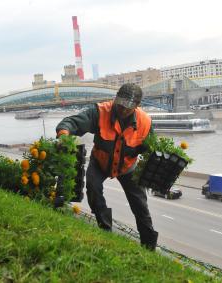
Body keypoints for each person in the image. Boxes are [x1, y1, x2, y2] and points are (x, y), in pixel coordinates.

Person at [56, 83, 158, 251]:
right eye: (120, 105)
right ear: (115, 99)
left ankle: (149, 246)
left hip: (128, 167)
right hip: (100, 161)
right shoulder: (100, 112)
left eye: (128, 107)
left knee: (140, 205)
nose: (123, 110)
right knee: (93, 187)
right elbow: (71, 122)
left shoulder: (145, 122)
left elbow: (151, 150)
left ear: (137, 106)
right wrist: (63, 135)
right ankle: (105, 229)